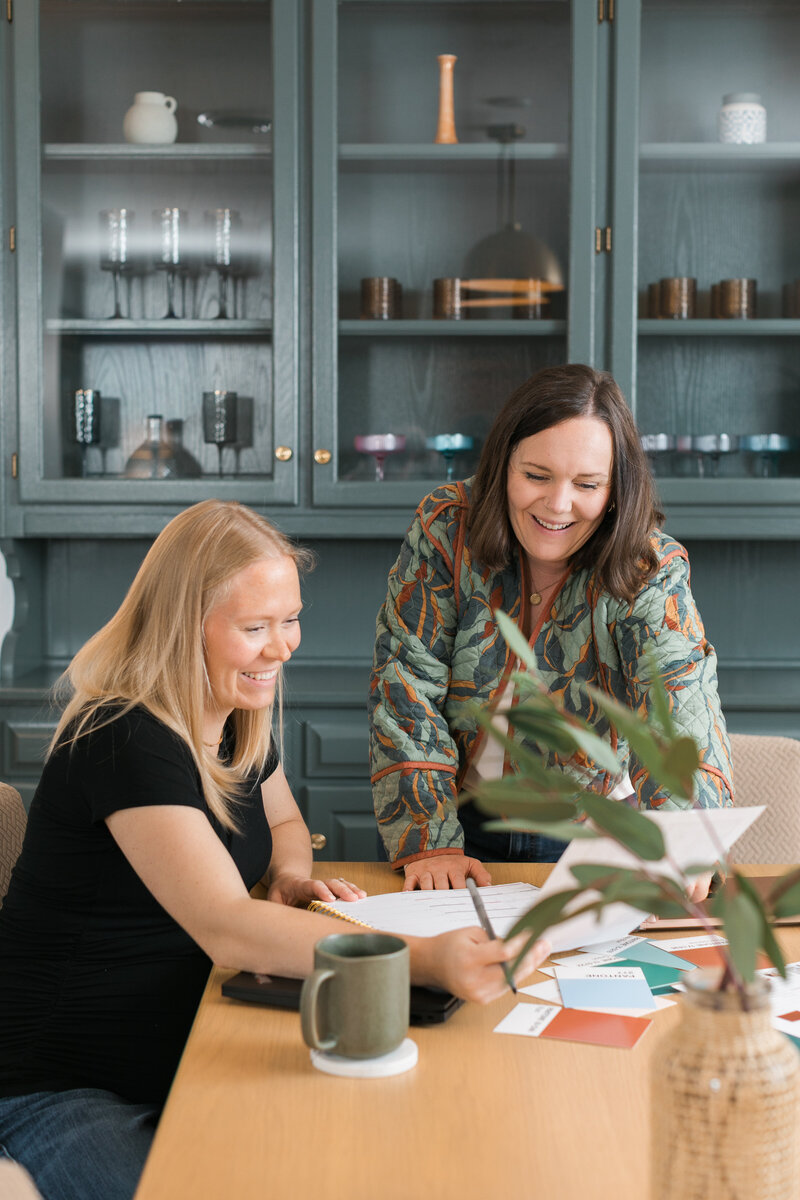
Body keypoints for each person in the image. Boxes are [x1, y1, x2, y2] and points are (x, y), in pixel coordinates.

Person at [0, 500, 548, 1200]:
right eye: (255, 627)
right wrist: (429, 961)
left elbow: (285, 824)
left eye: (289, 619)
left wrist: (291, 877)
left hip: (185, 1044)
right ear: (181, 628)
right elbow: (227, 926)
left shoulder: (230, 717)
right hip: (58, 1084)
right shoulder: (125, 735)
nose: (283, 645)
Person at [370, 363, 733, 893]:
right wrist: (430, 838)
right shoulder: (447, 528)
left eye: (586, 484)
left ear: (615, 490)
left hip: (595, 837)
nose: (558, 505)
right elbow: (407, 681)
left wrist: (682, 842)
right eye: (536, 476)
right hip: (449, 826)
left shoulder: (648, 568)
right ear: (502, 466)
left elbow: (679, 707)